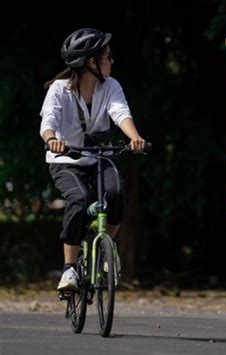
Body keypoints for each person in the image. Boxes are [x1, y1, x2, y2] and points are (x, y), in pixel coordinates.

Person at [39, 28, 146, 291]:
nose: (111, 61)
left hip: (99, 157)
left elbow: (120, 113)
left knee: (117, 193)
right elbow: (47, 122)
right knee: (77, 199)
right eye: (107, 56)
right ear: (91, 61)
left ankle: (106, 253)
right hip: (66, 160)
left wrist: (135, 137)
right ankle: (70, 270)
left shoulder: (110, 86)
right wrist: (52, 139)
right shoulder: (59, 90)